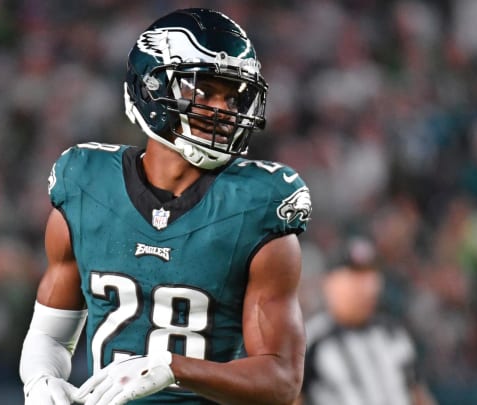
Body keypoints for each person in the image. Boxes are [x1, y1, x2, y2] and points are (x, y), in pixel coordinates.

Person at [18, 8, 312, 405]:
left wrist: (171, 367)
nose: (223, 109)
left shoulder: (256, 205)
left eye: (232, 96)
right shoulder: (86, 185)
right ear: (150, 87)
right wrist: (40, 379)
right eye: (204, 89)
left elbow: (281, 379)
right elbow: (51, 334)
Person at [299, 239, 436, 405]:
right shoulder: (312, 340)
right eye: (355, 275)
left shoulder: (393, 332)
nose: (366, 285)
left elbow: (417, 392)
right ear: (330, 282)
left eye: (370, 274)